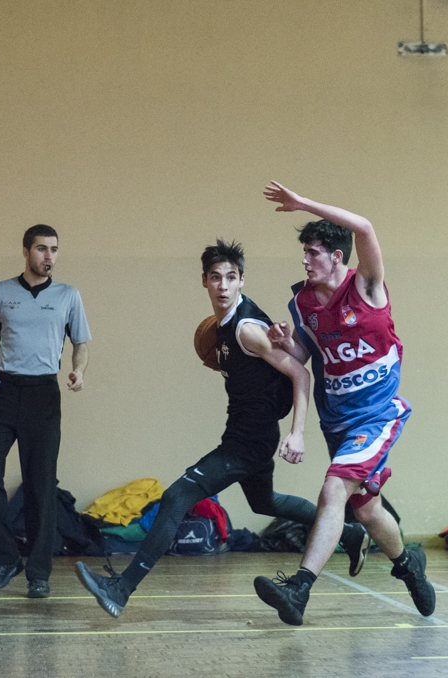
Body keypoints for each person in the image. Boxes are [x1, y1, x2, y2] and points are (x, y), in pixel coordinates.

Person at [74, 239, 369, 618]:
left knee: (176, 497)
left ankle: (120, 589)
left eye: (231, 277)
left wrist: (297, 433)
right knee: (265, 503)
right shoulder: (222, 328)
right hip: (244, 433)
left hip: (249, 441)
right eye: (216, 278)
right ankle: (350, 533)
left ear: (242, 280)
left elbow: (301, 373)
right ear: (205, 281)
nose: (223, 286)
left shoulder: (246, 329)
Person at [253, 181, 435, 626]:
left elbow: (365, 227)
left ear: (337, 256)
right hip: (337, 420)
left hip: (376, 416)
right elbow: (306, 356)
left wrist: (302, 203)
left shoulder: (367, 286)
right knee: (366, 509)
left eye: (313, 252)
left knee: (333, 490)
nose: (305, 260)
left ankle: (298, 590)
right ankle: (409, 565)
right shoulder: (302, 302)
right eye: (304, 252)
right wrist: (285, 343)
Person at [0, 224, 91, 599]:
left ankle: (39, 572)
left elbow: (81, 343)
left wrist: (79, 370)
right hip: (5, 390)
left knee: (40, 485)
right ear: (26, 252)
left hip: (44, 394)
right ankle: (6, 558)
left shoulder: (68, 296)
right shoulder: (0, 292)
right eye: (42, 249)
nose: (49, 256)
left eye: (54, 249)